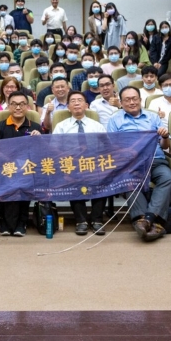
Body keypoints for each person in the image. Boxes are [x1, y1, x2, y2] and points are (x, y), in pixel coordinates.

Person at [107, 86, 171, 242]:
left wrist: (165, 137)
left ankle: (146, 219)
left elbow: (164, 146)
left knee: (167, 178)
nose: (132, 102)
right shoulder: (114, 120)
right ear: (121, 102)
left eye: (134, 98)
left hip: (155, 160)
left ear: (140, 99)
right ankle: (152, 222)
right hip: (130, 164)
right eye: (127, 100)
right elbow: (111, 147)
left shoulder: (153, 117)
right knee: (128, 180)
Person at [53, 90, 108, 234]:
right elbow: (54, 149)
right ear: (68, 107)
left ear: (86, 105)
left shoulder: (97, 126)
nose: (76, 103)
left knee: (104, 176)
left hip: (94, 164)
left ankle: (97, 220)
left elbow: (106, 147)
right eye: (73, 101)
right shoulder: (61, 126)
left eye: (80, 100)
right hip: (71, 165)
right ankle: (81, 220)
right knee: (73, 177)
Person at [0, 90, 42, 236]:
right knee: (6, 185)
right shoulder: (0, 126)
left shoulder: (35, 127)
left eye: (22, 104)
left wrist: (39, 139)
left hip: (26, 168)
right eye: (14, 104)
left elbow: (40, 152)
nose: (18, 107)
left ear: (27, 107)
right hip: (5, 167)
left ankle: (21, 222)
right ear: (8, 106)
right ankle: (4, 222)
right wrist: (8, 161)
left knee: (24, 184)